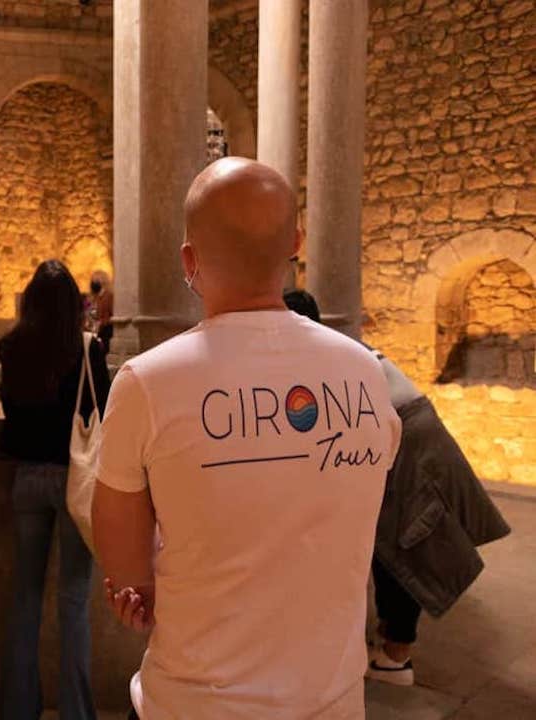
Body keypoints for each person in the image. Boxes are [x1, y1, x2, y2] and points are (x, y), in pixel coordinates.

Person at [92, 158, 403, 719]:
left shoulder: (147, 383)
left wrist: (145, 588)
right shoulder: (364, 373)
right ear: (296, 242)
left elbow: (128, 572)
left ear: (189, 260)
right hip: (331, 702)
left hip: (195, 703)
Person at [283, 288, 511, 687]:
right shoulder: (334, 347)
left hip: (409, 440)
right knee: (396, 540)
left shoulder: (317, 357)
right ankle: (392, 642)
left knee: (403, 544)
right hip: (412, 431)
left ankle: (395, 656)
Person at [0, 260, 111, 720]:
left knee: (24, 596)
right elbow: (103, 410)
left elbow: (9, 410)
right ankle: (76, 713)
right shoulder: (86, 349)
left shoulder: (11, 348)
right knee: (73, 598)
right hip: (74, 478)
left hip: (27, 477)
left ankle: (18, 708)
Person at [87, 270, 114, 347]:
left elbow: (113, 316)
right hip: (95, 332)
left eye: (95, 281)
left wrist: (101, 322)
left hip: (106, 331)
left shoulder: (109, 296)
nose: (93, 283)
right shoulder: (95, 297)